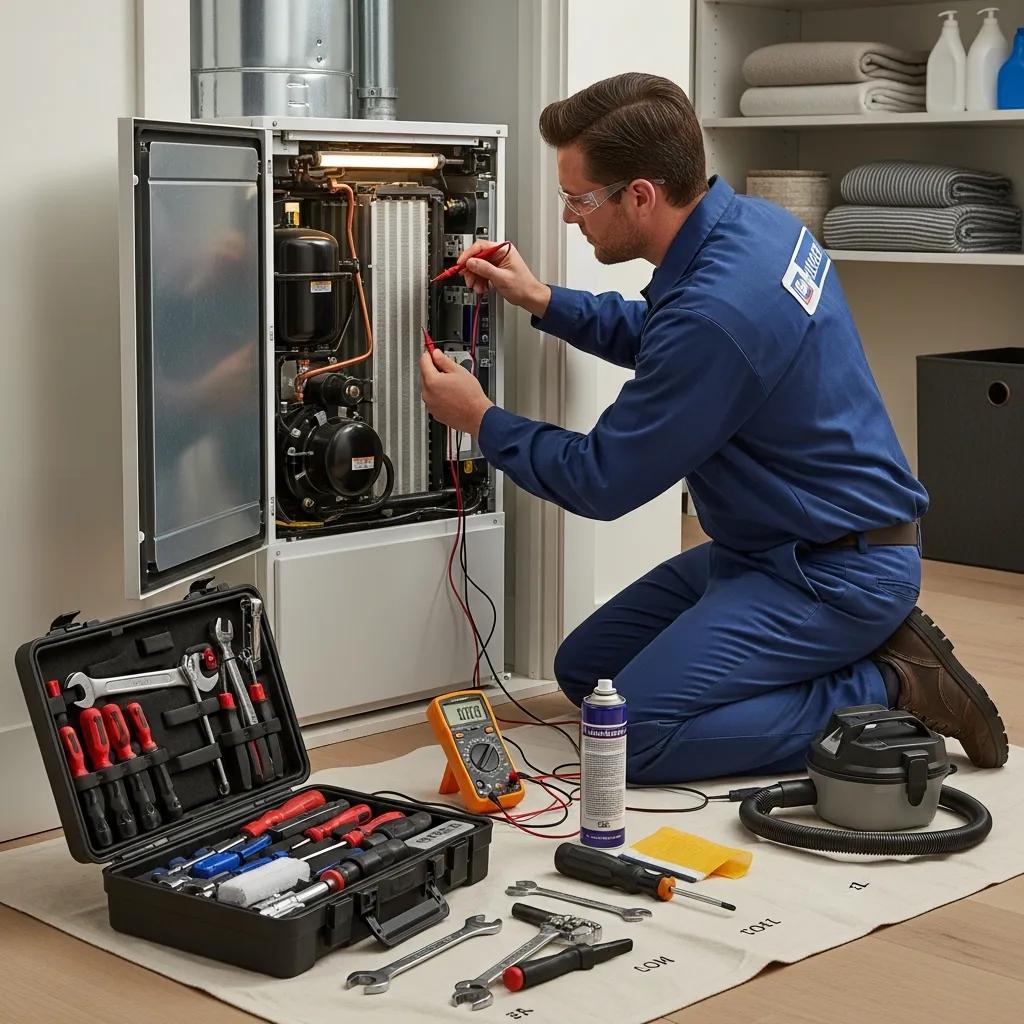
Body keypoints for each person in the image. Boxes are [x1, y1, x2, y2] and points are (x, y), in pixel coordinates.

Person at [420, 72, 1008, 784]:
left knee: (629, 737)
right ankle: (826, 666)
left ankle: (889, 686)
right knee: (584, 674)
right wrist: (543, 299)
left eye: (578, 199)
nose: (571, 215)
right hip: (768, 545)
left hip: (834, 572)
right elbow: (670, 340)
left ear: (641, 194)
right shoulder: (752, 228)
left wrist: (481, 420)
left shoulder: (717, 314)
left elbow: (602, 480)